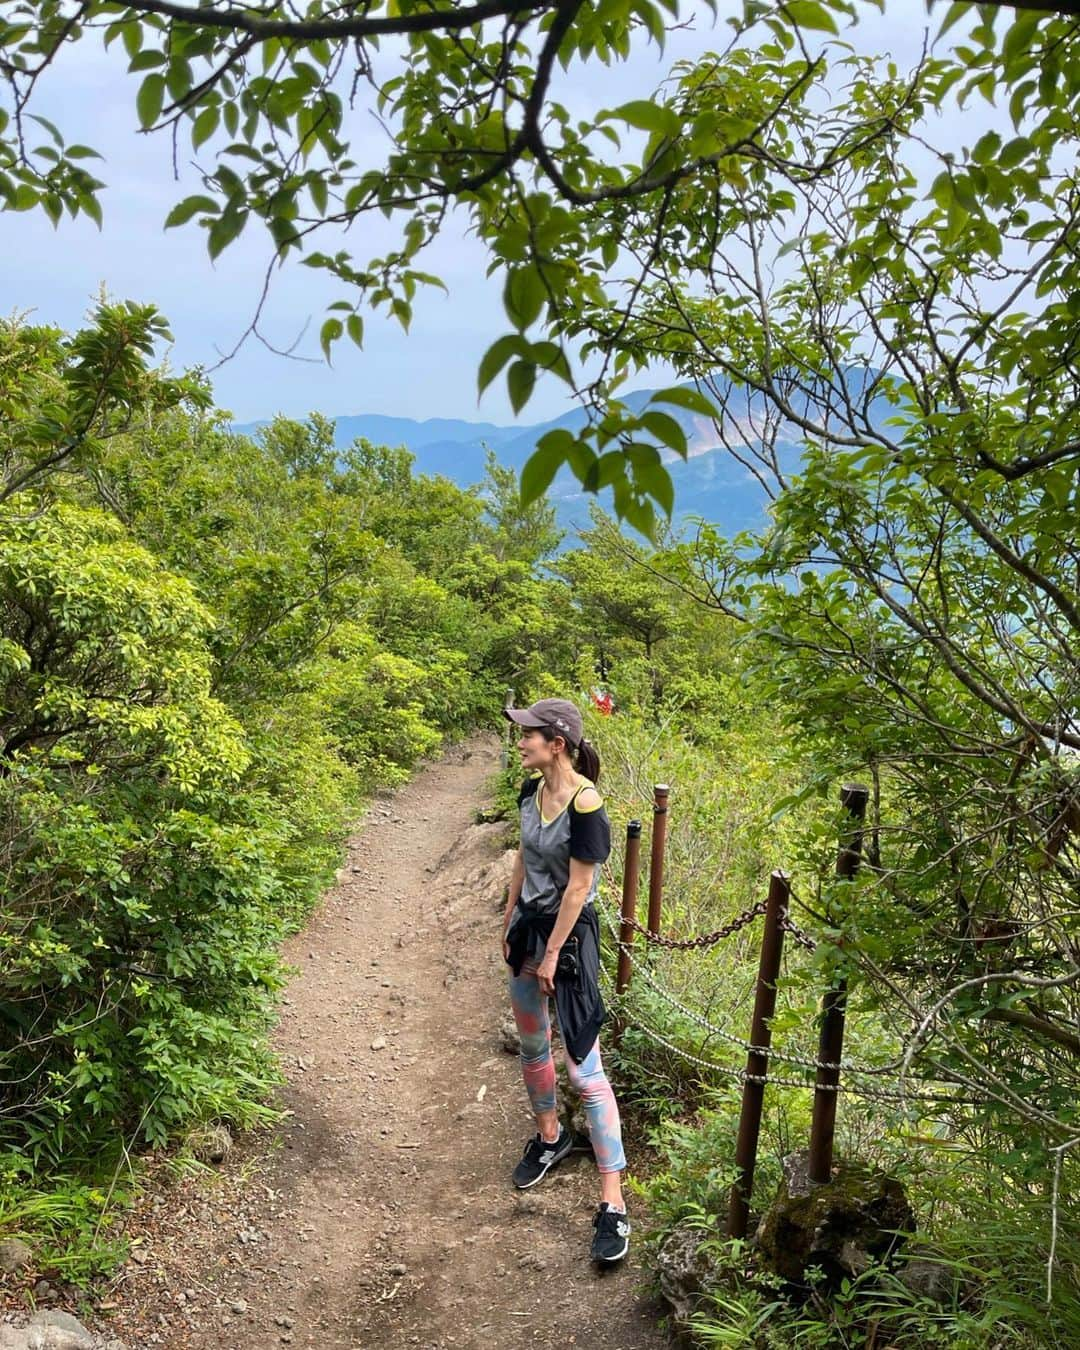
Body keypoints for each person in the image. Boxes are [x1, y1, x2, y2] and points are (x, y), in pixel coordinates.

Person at [500, 697, 631, 1264]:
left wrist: (552, 955)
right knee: (531, 1043)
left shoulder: (586, 803)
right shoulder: (531, 793)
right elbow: (523, 862)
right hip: (529, 935)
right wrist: (508, 923)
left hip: (569, 947)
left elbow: (579, 889)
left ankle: (614, 1202)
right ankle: (552, 1138)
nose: (520, 741)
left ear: (557, 743)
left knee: (585, 1067)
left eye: (528, 734)